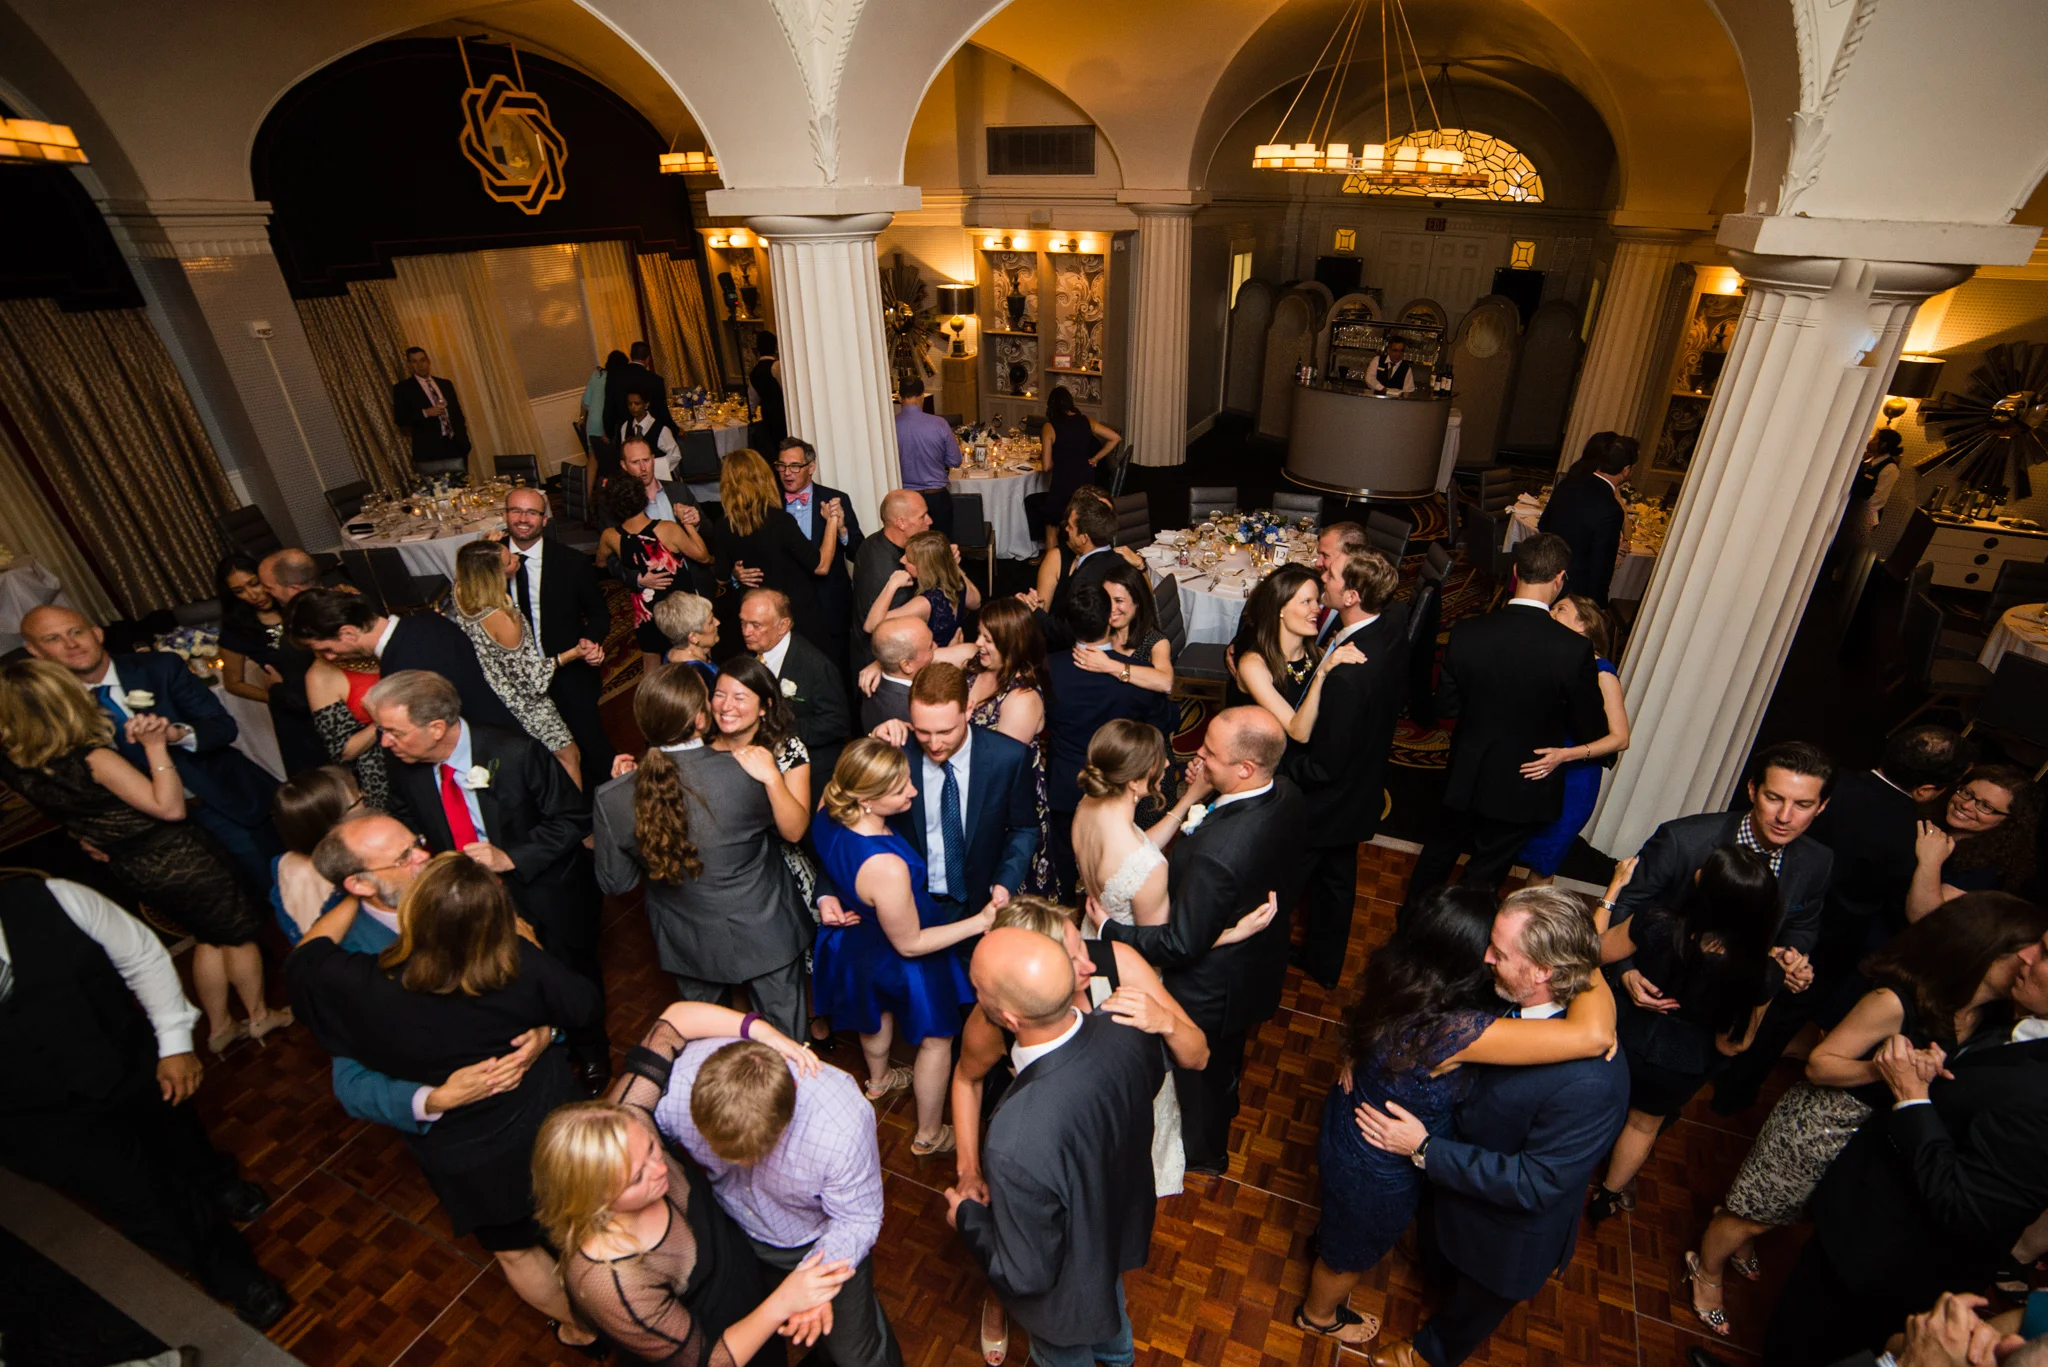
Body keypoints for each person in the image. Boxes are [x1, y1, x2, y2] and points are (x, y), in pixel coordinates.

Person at [1685, 892, 2048, 1338]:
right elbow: (1819, 1065)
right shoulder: (1896, 1000)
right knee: (1754, 1211)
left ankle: (1741, 1246)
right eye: (2026, 951)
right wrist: (1884, 1070)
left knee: (1793, 1211)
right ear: (1984, 950)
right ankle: (1707, 1269)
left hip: (1876, 1138)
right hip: (1824, 1125)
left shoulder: (1992, 1023)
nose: (2029, 963)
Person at [286, 852, 604, 1348]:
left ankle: (582, 1330)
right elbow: (584, 1006)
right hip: (549, 1116)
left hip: (470, 1154)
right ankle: (623, 1308)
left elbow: (304, 961)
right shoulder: (520, 964)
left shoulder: (364, 985)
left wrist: (349, 897)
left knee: (516, 1251)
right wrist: (533, 963)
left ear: (412, 918)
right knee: (591, 1216)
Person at [1298, 886, 1618, 1348]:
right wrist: (1577, 957)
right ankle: (1318, 1316)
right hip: (1378, 1160)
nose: (1490, 957)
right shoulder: (1455, 1030)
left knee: (1342, 1223)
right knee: (1349, 1252)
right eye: (1488, 948)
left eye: (1498, 951)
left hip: (1352, 1117)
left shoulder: (1408, 974)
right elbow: (1593, 1034)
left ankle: (1329, 1237)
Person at [0, 869, 290, 1329]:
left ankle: (217, 1182)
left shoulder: (55, 897)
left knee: (179, 1136)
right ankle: (235, 1278)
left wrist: (174, 1044)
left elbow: (142, 956)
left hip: (124, 1058)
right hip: (36, 1117)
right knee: (144, 1203)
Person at [532, 1001, 854, 1367]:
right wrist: (785, 1301)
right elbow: (708, 1360)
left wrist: (765, 1034)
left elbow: (673, 1022)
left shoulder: (626, 1126)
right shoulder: (610, 1283)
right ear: (591, 1198)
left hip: (749, 1294)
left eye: (651, 1147)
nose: (659, 1168)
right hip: (727, 1347)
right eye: (637, 1178)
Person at [0, 658, 286, 1053]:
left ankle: (221, 1027)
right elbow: (170, 808)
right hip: (179, 855)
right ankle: (259, 1016)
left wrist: (87, 835)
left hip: (131, 865)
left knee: (209, 936)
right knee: (237, 935)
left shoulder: (18, 767)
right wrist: (155, 747)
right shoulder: (93, 758)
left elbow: (71, 813)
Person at [365, 669, 609, 1090]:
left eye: (393, 732)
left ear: (436, 728)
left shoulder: (515, 753)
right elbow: (408, 822)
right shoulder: (405, 766)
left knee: (567, 973)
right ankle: (544, 1044)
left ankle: (591, 1050)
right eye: (382, 732)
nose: (385, 742)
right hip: (471, 902)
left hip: (543, 894)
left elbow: (573, 818)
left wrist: (510, 857)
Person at [1096, 706, 1307, 1176]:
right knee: (1226, 1061)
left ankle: (1207, 1154)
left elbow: (1181, 944)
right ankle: (1225, 1101)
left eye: (1210, 753)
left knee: (1200, 1073)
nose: (1197, 758)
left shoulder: (1218, 853)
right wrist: (1207, 792)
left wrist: (1112, 931)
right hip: (1256, 962)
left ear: (1246, 768)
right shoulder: (1286, 793)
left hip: (1211, 986)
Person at [947, 928, 1168, 1367]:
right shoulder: (1128, 1030)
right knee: (1114, 1326)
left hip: (1061, 1301)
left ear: (1010, 1020)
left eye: (977, 988)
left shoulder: (1013, 1138)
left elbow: (1026, 1274)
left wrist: (967, 1218)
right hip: (1112, 1232)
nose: (973, 993)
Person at [1607, 740, 1837, 1114]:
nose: (1784, 816)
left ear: (1821, 806)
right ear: (1752, 790)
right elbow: (1628, 904)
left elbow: (1803, 924)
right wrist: (1625, 970)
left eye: (1802, 805)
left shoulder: (1817, 861)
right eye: (1774, 798)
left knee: (1658, 1114)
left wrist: (1792, 955)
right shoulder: (1684, 840)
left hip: (1715, 1027)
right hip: (1644, 1008)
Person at [952, 896, 1212, 1222]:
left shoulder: (1118, 964)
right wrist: (968, 1171)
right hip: (1056, 1151)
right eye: (1072, 961)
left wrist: (1166, 1021)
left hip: (1128, 1131)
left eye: (1082, 946)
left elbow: (1199, 1057)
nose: (1089, 965)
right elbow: (966, 1079)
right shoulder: (996, 1022)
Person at [653, 1030, 903, 1367]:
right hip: (732, 1232)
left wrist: (816, 1284)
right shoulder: (677, 1088)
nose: (736, 1164)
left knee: (855, 1354)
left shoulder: (840, 1125)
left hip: (817, 1244)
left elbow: (857, 1219)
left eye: (754, 1153)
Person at [594, 663, 813, 1041]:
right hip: (765, 927)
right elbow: (787, 831)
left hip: (688, 939)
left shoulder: (612, 797)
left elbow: (618, 882)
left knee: (709, 1044)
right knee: (786, 1044)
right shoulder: (746, 771)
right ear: (700, 719)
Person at [305, 812, 556, 1135]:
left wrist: (547, 1031)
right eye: (404, 857)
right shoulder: (347, 962)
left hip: (547, 1089)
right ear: (360, 884)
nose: (424, 856)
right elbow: (351, 1083)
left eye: (417, 843)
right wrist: (435, 1099)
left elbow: (540, 983)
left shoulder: (468, 894)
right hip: (467, 1134)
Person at [1400, 532, 1607, 917]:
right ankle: (1460, 942)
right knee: (1483, 877)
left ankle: (1410, 923)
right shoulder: (1573, 650)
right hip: (1523, 781)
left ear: (1515, 572)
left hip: (1468, 769)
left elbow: (1446, 705)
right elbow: (1589, 727)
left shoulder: (1468, 631)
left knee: (1438, 855)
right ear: (1559, 579)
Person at [810, 738, 991, 1154]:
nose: (912, 791)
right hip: (905, 951)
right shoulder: (886, 867)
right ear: (865, 799)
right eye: (898, 789)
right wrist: (979, 922)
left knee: (874, 1012)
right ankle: (929, 1134)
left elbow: (834, 861)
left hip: (858, 942)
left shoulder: (829, 808)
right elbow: (911, 944)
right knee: (937, 1038)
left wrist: (829, 893)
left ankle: (879, 1081)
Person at [22, 603, 282, 891]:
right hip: (151, 835)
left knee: (276, 887)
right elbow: (63, 783)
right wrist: (86, 832)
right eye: (53, 639)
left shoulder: (159, 667)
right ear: (35, 651)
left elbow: (222, 727)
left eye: (76, 632)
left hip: (220, 803)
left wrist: (176, 734)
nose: (71, 644)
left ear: (97, 633)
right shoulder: (50, 709)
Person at [1585, 848, 1782, 1223]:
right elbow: (1732, 1044)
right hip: (1681, 1064)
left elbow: (1593, 953)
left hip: (1620, 1035)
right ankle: (1607, 1196)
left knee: (1589, 1104)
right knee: (1642, 1125)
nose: (1697, 869)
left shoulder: (1658, 922)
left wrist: (1613, 890)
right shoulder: (1765, 973)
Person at [1286, 544, 1410, 988]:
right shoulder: (1390, 623)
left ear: (1353, 596)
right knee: (1336, 881)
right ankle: (1324, 964)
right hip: (1363, 784)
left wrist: (1281, 770)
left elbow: (1323, 767)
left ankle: (1262, 960)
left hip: (1328, 801)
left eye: (1332, 575)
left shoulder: (1347, 678)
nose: (1322, 577)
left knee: (1283, 880)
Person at [868, 663, 1040, 933]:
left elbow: (1025, 829)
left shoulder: (1007, 758)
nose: (934, 744)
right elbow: (851, 817)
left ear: (968, 709)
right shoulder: (896, 753)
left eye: (945, 732)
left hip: (980, 905)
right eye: (923, 731)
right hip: (909, 904)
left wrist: (1005, 882)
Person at [1041, 585, 1165, 894]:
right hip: (1118, 784)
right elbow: (1165, 721)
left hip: (1065, 781)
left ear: (1070, 624)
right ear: (1110, 619)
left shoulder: (1049, 667)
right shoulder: (1138, 673)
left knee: (1063, 859)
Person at [284, 586, 528, 735]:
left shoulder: (400, 674)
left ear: (347, 632)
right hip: (509, 731)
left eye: (327, 649)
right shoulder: (430, 620)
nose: (329, 657)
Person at [500, 483, 617, 791]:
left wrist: (590, 641)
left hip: (566, 669)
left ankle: (609, 806)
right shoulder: (488, 561)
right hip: (512, 678)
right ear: (505, 515)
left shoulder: (571, 563)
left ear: (544, 519)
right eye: (516, 511)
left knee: (592, 748)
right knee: (528, 757)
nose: (523, 519)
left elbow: (599, 615)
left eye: (531, 513)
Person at [450, 537, 588, 786]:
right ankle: (575, 811)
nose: (516, 559)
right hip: (526, 705)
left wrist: (486, 543)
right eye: (509, 561)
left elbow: (471, 560)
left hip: (492, 699)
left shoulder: (460, 593)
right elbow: (532, 680)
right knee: (569, 756)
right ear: (493, 575)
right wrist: (571, 655)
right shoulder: (503, 619)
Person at [1513, 594, 1631, 885]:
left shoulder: (1601, 672)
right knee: (1517, 850)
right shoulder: (1549, 660)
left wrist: (1565, 755)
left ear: (1583, 625)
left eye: (1560, 609)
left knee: (1543, 863)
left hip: (1573, 781)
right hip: (1537, 771)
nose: (1551, 612)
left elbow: (1620, 738)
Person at [708, 656, 826, 916]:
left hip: (777, 877)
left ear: (764, 707)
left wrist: (772, 778)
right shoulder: (702, 748)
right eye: (719, 695)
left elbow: (794, 832)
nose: (726, 706)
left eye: (740, 697)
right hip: (719, 876)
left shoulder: (786, 749)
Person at [964, 597, 1057, 898]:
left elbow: (999, 771)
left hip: (1004, 810)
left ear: (1011, 643)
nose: (978, 643)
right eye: (979, 634)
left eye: (988, 639)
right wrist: (878, 663)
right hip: (972, 790)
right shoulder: (977, 665)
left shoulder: (1022, 698)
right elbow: (918, 653)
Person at [705, 447, 840, 651]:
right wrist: (831, 521)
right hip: (793, 614)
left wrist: (735, 573)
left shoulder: (723, 525)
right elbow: (821, 566)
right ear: (763, 478)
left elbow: (721, 578)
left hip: (756, 618)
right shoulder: (780, 520)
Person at [1225, 564, 1364, 744]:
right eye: (1307, 602)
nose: (1317, 609)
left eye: (1317, 601)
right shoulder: (1253, 664)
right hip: (1257, 754)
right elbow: (1298, 732)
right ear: (1280, 609)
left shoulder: (1315, 655)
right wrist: (1321, 673)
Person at [600, 468, 715, 668]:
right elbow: (703, 556)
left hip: (648, 610)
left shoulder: (610, 536)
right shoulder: (668, 529)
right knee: (697, 655)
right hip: (681, 608)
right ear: (642, 497)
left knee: (651, 663)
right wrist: (686, 523)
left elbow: (601, 562)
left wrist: (634, 575)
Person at [775, 437, 865, 670]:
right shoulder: (771, 503)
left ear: (811, 467)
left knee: (836, 670)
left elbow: (859, 553)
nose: (787, 473)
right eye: (782, 466)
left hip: (829, 605)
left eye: (795, 466)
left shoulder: (835, 499)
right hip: (786, 606)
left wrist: (842, 529)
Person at [1905, 764, 2039, 920]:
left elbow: (1923, 917)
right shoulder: (1929, 819)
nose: (1965, 805)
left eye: (1985, 806)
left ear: (2008, 822)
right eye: (1967, 793)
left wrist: (1930, 863)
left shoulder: (1986, 869)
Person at [740, 588, 850, 777]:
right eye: (743, 622)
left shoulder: (816, 666)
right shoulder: (748, 655)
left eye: (756, 625)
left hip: (807, 768)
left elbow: (837, 723)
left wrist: (777, 730)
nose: (746, 632)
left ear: (783, 625)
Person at [232, 550, 324, 775]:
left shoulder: (301, 626)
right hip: (297, 719)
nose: (257, 593)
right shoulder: (238, 628)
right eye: (239, 591)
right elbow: (233, 682)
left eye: (259, 584)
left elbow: (304, 696)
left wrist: (277, 690)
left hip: (317, 715)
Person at [1537, 431, 1637, 605]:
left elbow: (1543, 524)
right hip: (1574, 591)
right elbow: (1601, 565)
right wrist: (1598, 604)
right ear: (1626, 470)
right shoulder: (1611, 508)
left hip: (1543, 572)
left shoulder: (1568, 483)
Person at [268, 763, 359, 943]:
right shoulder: (343, 874)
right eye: (355, 804)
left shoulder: (279, 863)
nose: (363, 800)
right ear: (330, 823)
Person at [302, 626, 388, 810]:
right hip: (384, 777)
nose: (328, 656)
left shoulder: (380, 646)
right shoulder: (320, 675)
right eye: (319, 649)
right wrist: (383, 720)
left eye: (328, 647)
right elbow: (344, 751)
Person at [1029, 386, 1121, 553]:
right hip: (1085, 484)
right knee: (1083, 525)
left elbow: (1047, 466)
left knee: (1051, 528)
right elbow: (1115, 438)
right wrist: (1096, 458)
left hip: (1063, 484)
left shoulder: (1050, 427)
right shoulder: (1086, 421)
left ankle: (1052, 564)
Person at [850, 489, 933, 668]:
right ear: (901, 523)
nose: (929, 521)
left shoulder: (872, 541)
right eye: (922, 517)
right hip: (884, 661)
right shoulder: (889, 571)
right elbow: (889, 630)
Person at [864, 527, 979, 647]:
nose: (902, 560)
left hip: (933, 657)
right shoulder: (956, 584)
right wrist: (951, 565)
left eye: (908, 560)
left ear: (923, 568)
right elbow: (976, 602)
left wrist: (892, 584)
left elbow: (871, 626)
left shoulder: (924, 603)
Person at [1039, 494, 1127, 649]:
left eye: (1071, 527)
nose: (1066, 529)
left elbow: (1069, 633)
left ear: (1084, 538)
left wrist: (1035, 614)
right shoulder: (1120, 561)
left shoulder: (1084, 579)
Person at [1074, 558, 1173, 694]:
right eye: (1107, 600)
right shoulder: (1098, 633)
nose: (1112, 608)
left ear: (1137, 603)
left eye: (1119, 601)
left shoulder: (1155, 641)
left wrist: (1109, 665)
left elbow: (1166, 684)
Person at [213, 551, 286, 709]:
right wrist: (277, 699)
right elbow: (234, 684)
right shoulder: (235, 630)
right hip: (293, 707)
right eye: (239, 591)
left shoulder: (293, 603)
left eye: (254, 583)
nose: (252, 595)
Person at [390, 346, 471, 478]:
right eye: (414, 361)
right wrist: (425, 413)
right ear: (409, 365)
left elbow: (457, 414)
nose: (420, 365)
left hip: (455, 446)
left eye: (422, 360)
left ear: (428, 361)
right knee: (438, 487)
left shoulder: (445, 384)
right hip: (429, 450)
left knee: (462, 484)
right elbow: (400, 419)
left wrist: (464, 441)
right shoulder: (403, 388)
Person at [894, 377, 960, 538]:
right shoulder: (939, 424)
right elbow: (955, 461)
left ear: (900, 397)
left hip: (906, 499)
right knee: (941, 545)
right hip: (937, 497)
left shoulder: (891, 425)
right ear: (922, 396)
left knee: (912, 545)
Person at [862, 617, 932, 733]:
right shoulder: (912, 710)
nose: (936, 646)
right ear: (907, 665)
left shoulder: (876, 682)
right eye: (930, 647)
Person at [655, 591, 722, 679]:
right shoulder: (696, 675)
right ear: (693, 637)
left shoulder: (671, 655)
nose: (717, 622)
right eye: (710, 622)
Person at [621, 387, 684, 479]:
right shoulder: (626, 426)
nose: (633, 407)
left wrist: (653, 466)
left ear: (646, 404)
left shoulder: (661, 429)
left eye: (637, 403)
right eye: (630, 404)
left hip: (658, 478)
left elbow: (675, 455)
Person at [578, 348, 625, 460]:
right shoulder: (616, 379)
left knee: (593, 458)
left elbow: (585, 401)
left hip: (592, 424)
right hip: (606, 425)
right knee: (615, 459)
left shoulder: (597, 375)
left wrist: (581, 418)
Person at [749, 330, 788, 455]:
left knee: (777, 445)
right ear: (775, 347)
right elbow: (786, 389)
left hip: (767, 412)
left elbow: (752, 397)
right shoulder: (777, 366)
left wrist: (751, 413)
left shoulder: (754, 371)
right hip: (782, 411)